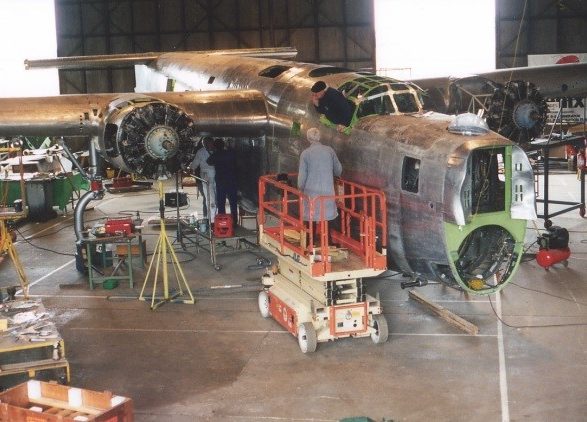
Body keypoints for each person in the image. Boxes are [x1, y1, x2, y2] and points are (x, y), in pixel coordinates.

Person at [297, 127, 342, 244]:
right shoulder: (329, 150)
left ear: (308, 138)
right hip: (328, 191)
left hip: (311, 192)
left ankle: (309, 243)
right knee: (326, 217)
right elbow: (339, 170)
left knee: (310, 217)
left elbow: (301, 178)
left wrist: (300, 188)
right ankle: (328, 242)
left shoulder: (305, 154)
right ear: (320, 137)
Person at [207, 138, 239, 226]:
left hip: (221, 181)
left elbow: (208, 161)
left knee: (221, 202)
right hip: (232, 180)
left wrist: (213, 152)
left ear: (215, 146)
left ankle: (222, 222)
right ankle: (234, 222)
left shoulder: (216, 155)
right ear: (224, 145)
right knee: (233, 202)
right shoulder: (230, 153)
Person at [189, 136, 217, 222]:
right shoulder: (201, 152)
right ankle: (210, 220)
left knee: (215, 198)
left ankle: (214, 218)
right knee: (210, 199)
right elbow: (195, 164)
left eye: (208, 143)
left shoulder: (216, 151)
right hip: (206, 176)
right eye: (205, 143)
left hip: (217, 175)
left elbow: (194, 165)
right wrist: (191, 169)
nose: (206, 145)